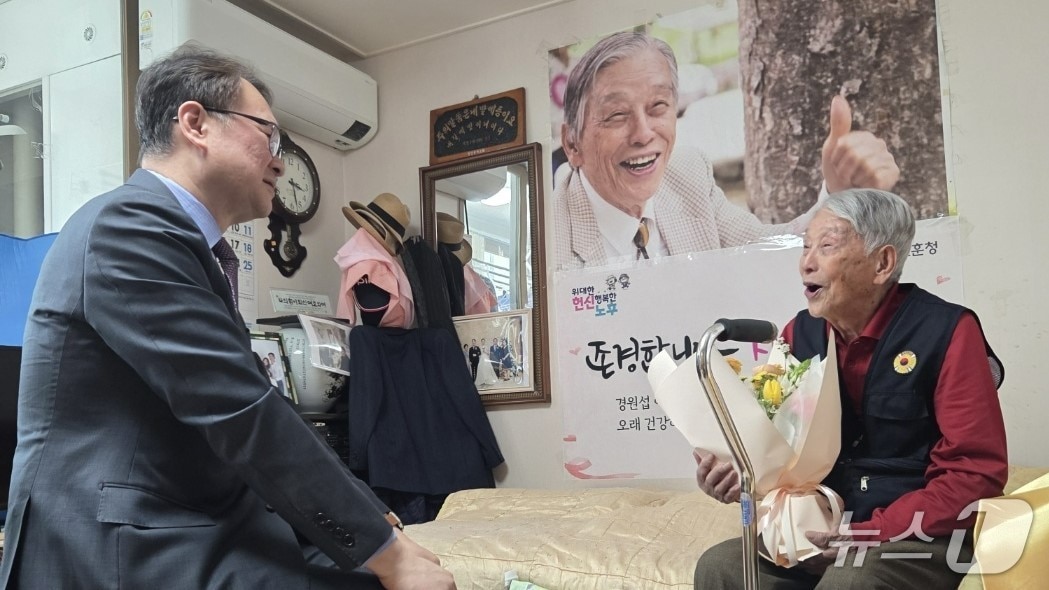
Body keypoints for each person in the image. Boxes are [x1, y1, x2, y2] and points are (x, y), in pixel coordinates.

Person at [0, 44, 455, 589]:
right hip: (120, 542)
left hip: (187, 521)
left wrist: (371, 523)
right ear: (195, 123)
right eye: (269, 135)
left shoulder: (173, 238)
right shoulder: (128, 229)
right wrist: (387, 551)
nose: (280, 159)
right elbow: (241, 411)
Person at [692, 189, 1008, 589]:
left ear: (883, 263)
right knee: (721, 566)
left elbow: (975, 473)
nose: (807, 262)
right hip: (822, 527)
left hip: (919, 532)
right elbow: (783, 455)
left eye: (827, 246)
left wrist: (870, 532)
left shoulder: (948, 331)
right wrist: (742, 476)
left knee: (851, 581)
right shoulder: (798, 334)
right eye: (805, 246)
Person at [553, 31, 901, 270]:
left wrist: (839, 193)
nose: (644, 134)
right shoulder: (549, 237)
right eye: (616, 115)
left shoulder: (686, 173)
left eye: (658, 106)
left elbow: (772, 251)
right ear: (572, 143)